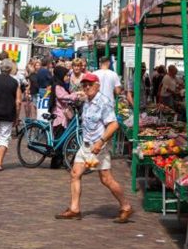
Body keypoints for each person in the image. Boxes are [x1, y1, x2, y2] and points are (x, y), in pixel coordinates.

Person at [55, 72, 133, 223]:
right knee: (75, 174)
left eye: (90, 84)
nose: (87, 87)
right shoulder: (87, 101)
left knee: (106, 179)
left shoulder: (103, 102)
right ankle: (74, 209)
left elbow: (114, 124)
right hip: (85, 145)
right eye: (84, 85)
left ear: (97, 86)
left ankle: (126, 206)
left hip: (98, 147)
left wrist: (100, 142)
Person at [49, 66, 82, 168]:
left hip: (63, 116)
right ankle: (55, 162)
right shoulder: (58, 86)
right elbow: (63, 97)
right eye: (66, 75)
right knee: (59, 139)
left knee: (63, 138)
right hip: (59, 116)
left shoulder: (62, 86)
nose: (68, 77)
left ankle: (60, 160)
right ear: (60, 75)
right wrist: (76, 95)